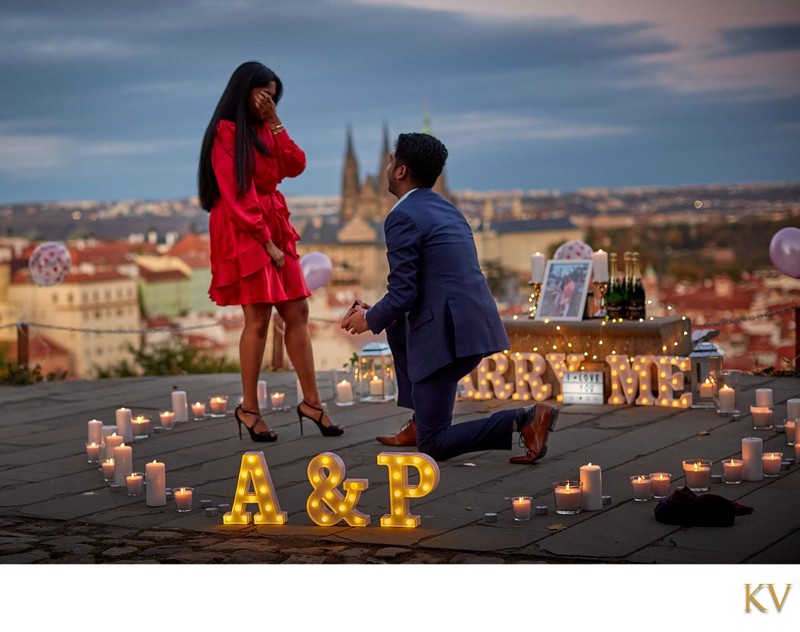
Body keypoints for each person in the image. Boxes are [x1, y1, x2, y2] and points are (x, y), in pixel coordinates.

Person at [340, 133, 557, 463]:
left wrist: (368, 320)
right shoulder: (449, 210)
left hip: (444, 339)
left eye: (390, 161)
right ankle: (419, 420)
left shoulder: (401, 216)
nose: (386, 167)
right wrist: (379, 312)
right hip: (472, 327)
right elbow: (432, 283)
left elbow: (403, 293)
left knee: (434, 445)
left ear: (400, 171)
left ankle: (524, 419)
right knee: (395, 323)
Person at [198, 61, 343, 442]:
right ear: (243, 91)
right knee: (258, 317)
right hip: (245, 225)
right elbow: (236, 192)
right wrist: (266, 242)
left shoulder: (266, 129)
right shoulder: (226, 133)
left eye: (274, 97)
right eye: (263, 94)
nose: (267, 101)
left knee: (298, 310)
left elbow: (296, 165)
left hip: (271, 218)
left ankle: (311, 402)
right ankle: (249, 408)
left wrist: (276, 121)